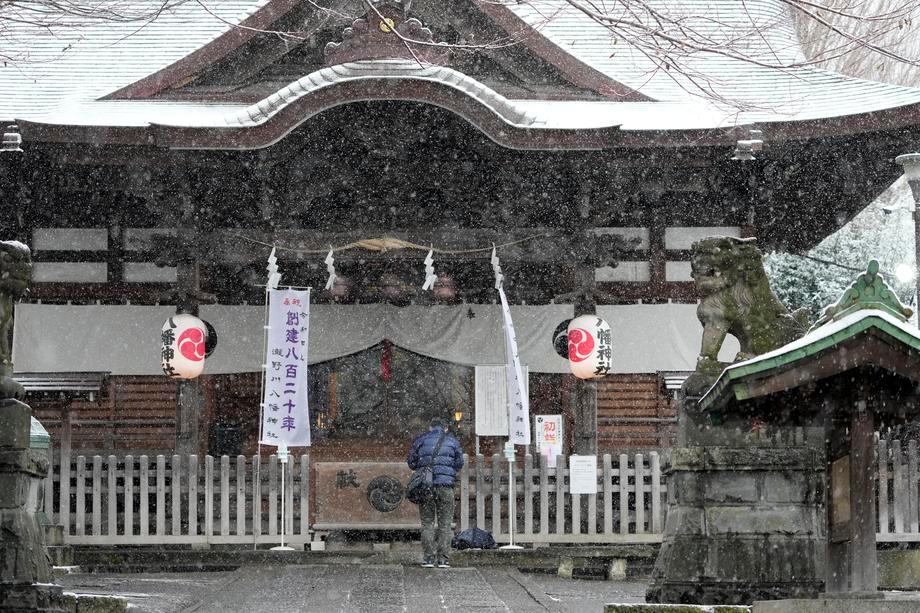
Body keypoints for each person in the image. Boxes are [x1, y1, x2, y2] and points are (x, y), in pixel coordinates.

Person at [407, 416, 464, 568]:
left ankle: (428, 559)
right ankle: (444, 559)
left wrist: (423, 466)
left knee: (427, 523)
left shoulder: (421, 440)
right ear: (445, 428)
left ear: (430, 428)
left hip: (426, 486)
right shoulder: (452, 441)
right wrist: (447, 471)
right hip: (446, 486)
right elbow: (459, 463)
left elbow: (411, 463)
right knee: (445, 524)